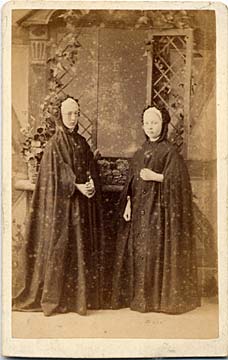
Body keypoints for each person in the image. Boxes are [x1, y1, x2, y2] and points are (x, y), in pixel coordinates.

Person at [13, 96, 104, 316]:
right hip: (64, 207)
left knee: (79, 248)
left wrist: (91, 182)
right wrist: (76, 186)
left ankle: (77, 298)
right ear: (61, 116)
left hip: (81, 206)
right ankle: (58, 298)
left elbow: (89, 166)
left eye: (76, 113)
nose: (73, 118)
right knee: (63, 249)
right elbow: (54, 174)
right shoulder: (54, 144)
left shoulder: (81, 142)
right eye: (69, 114)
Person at [111, 105, 201, 314]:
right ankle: (140, 299)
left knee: (154, 251)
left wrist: (156, 177)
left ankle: (155, 300)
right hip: (139, 211)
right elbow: (131, 183)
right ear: (143, 126)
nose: (151, 127)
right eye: (148, 123)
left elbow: (178, 181)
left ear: (163, 124)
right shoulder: (140, 152)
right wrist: (128, 203)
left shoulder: (169, 152)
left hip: (159, 212)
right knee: (140, 251)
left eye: (155, 123)